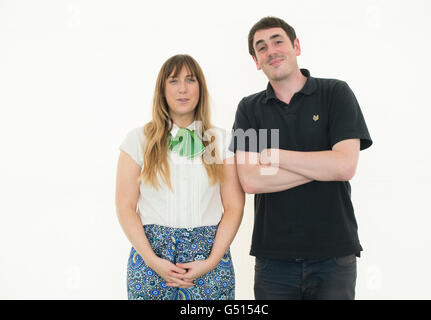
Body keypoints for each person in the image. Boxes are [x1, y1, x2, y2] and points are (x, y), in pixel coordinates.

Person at [229, 17, 373, 300]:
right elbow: (250, 179)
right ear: (257, 61)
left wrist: (274, 156)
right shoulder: (249, 108)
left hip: (334, 255)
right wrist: (324, 166)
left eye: (278, 41)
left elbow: (345, 166)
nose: (271, 50)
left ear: (296, 46)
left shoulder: (335, 93)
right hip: (274, 261)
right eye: (261, 48)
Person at [116, 54, 244, 300]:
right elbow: (125, 206)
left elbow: (234, 206)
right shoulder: (137, 140)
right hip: (151, 259)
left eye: (190, 80)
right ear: (162, 90)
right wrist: (153, 261)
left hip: (209, 258)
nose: (183, 89)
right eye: (174, 81)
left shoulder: (222, 141)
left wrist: (211, 261)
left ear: (201, 88)